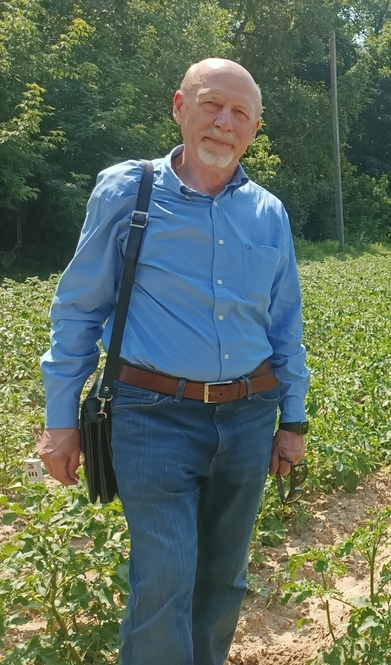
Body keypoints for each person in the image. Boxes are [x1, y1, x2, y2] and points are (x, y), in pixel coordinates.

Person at [37, 58, 310, 665]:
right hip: (150, 415)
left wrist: (292, 420)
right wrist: (60, 422)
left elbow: (284, 325)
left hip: (247, 418)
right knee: (164, 580)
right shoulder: (126, 190)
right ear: (179, 107)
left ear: (255, 129)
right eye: (212, 104)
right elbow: (78, 310)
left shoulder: (269, 213)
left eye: (240, 113)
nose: (223, 122)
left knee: (224, 578)